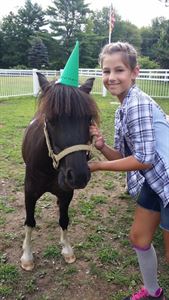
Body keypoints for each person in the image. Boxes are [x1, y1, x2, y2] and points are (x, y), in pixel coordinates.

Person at [89, 41, 169, 300]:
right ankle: (151, 292)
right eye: (106, 71)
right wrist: (102, 148)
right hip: (154, 182)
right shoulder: (122, 108)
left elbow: (143, 159)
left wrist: (99, 166)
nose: (111, 78)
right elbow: (128, 158)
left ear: (135, 72)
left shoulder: (137, 104)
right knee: (139, 238)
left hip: (166, 181)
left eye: (119, 70)